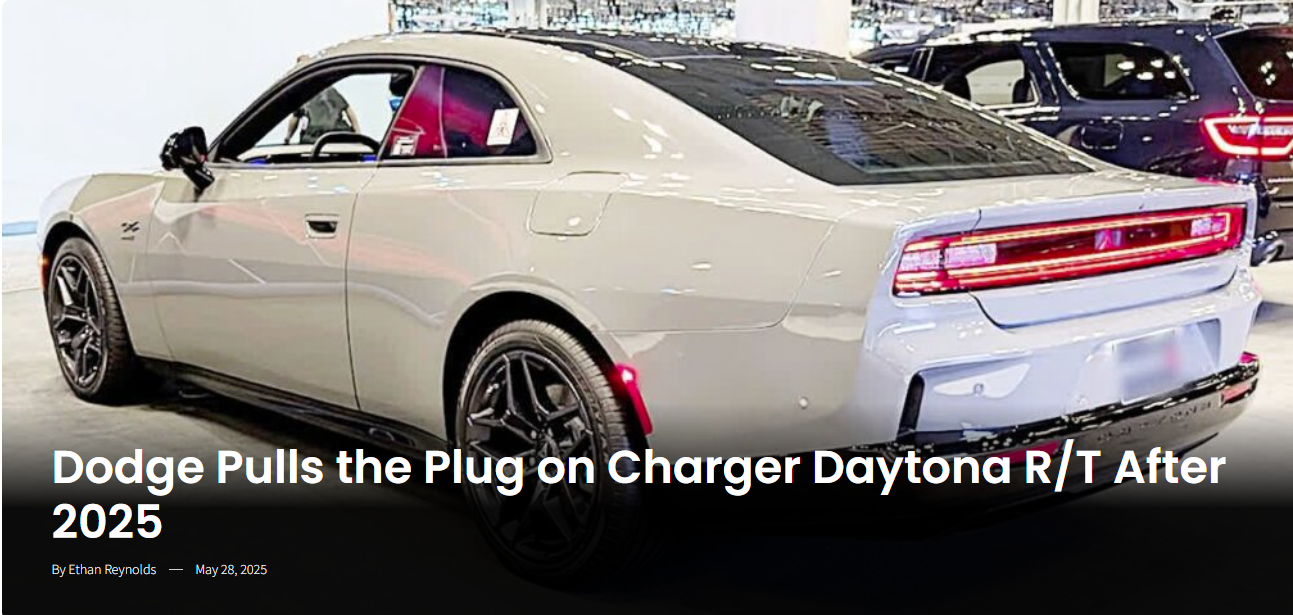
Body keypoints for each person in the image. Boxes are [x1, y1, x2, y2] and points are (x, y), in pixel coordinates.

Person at [284, 55, 360, 145]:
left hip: (317, 139)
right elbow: (348, 110)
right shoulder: (326, 88)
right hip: (336, 136)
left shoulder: (313, 91)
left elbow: (295, 118)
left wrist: (287, 138)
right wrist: (358, 133)